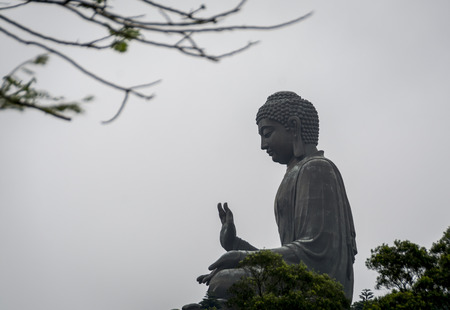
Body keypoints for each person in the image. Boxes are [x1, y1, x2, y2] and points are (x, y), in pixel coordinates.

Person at [197, 91, 357, 301]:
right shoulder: (295, 174)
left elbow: (315, 253)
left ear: (294, 126)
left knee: (222, 282)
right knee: (223, 280)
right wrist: (235, 245)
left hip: (319, 287)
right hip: (297, 278)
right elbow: (289, 257)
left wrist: (242, 258)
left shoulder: (317, 169)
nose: (263, 145)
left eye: (267, 133)